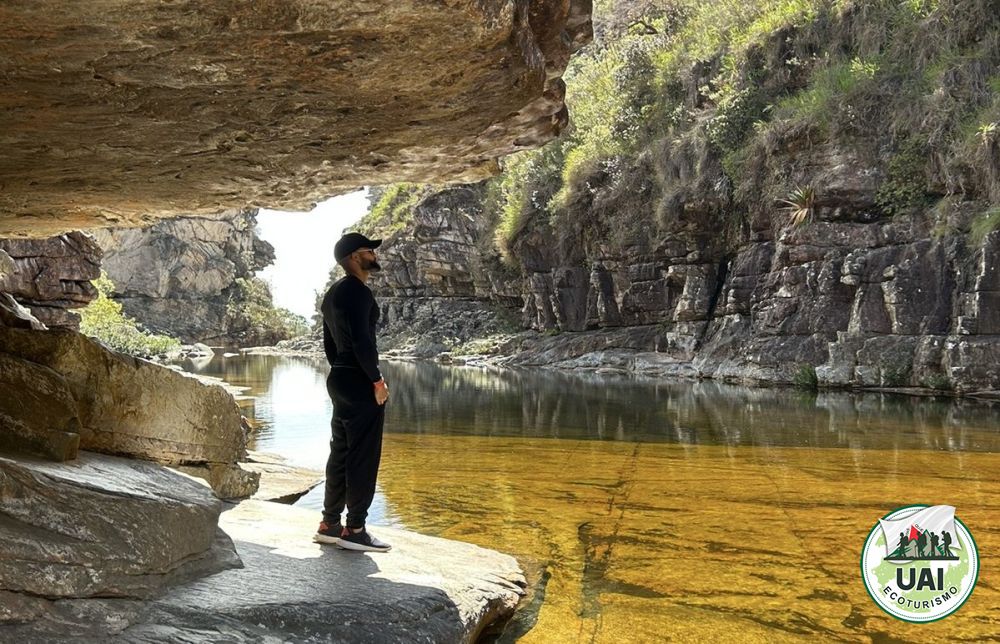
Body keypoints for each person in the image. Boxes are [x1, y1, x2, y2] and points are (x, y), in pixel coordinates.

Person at [313, 232, 391, 552]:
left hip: (339, 377)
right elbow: (362, 341)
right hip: (359, 379)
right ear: (355, 257)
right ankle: (355, 528)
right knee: (363, 454)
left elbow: (329, 344)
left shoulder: (332, 294)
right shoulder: (359, 291)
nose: (374, 254)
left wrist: (341, 370)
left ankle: (329, 524)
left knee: (341, 451)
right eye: (369, 250)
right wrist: (376, 380)